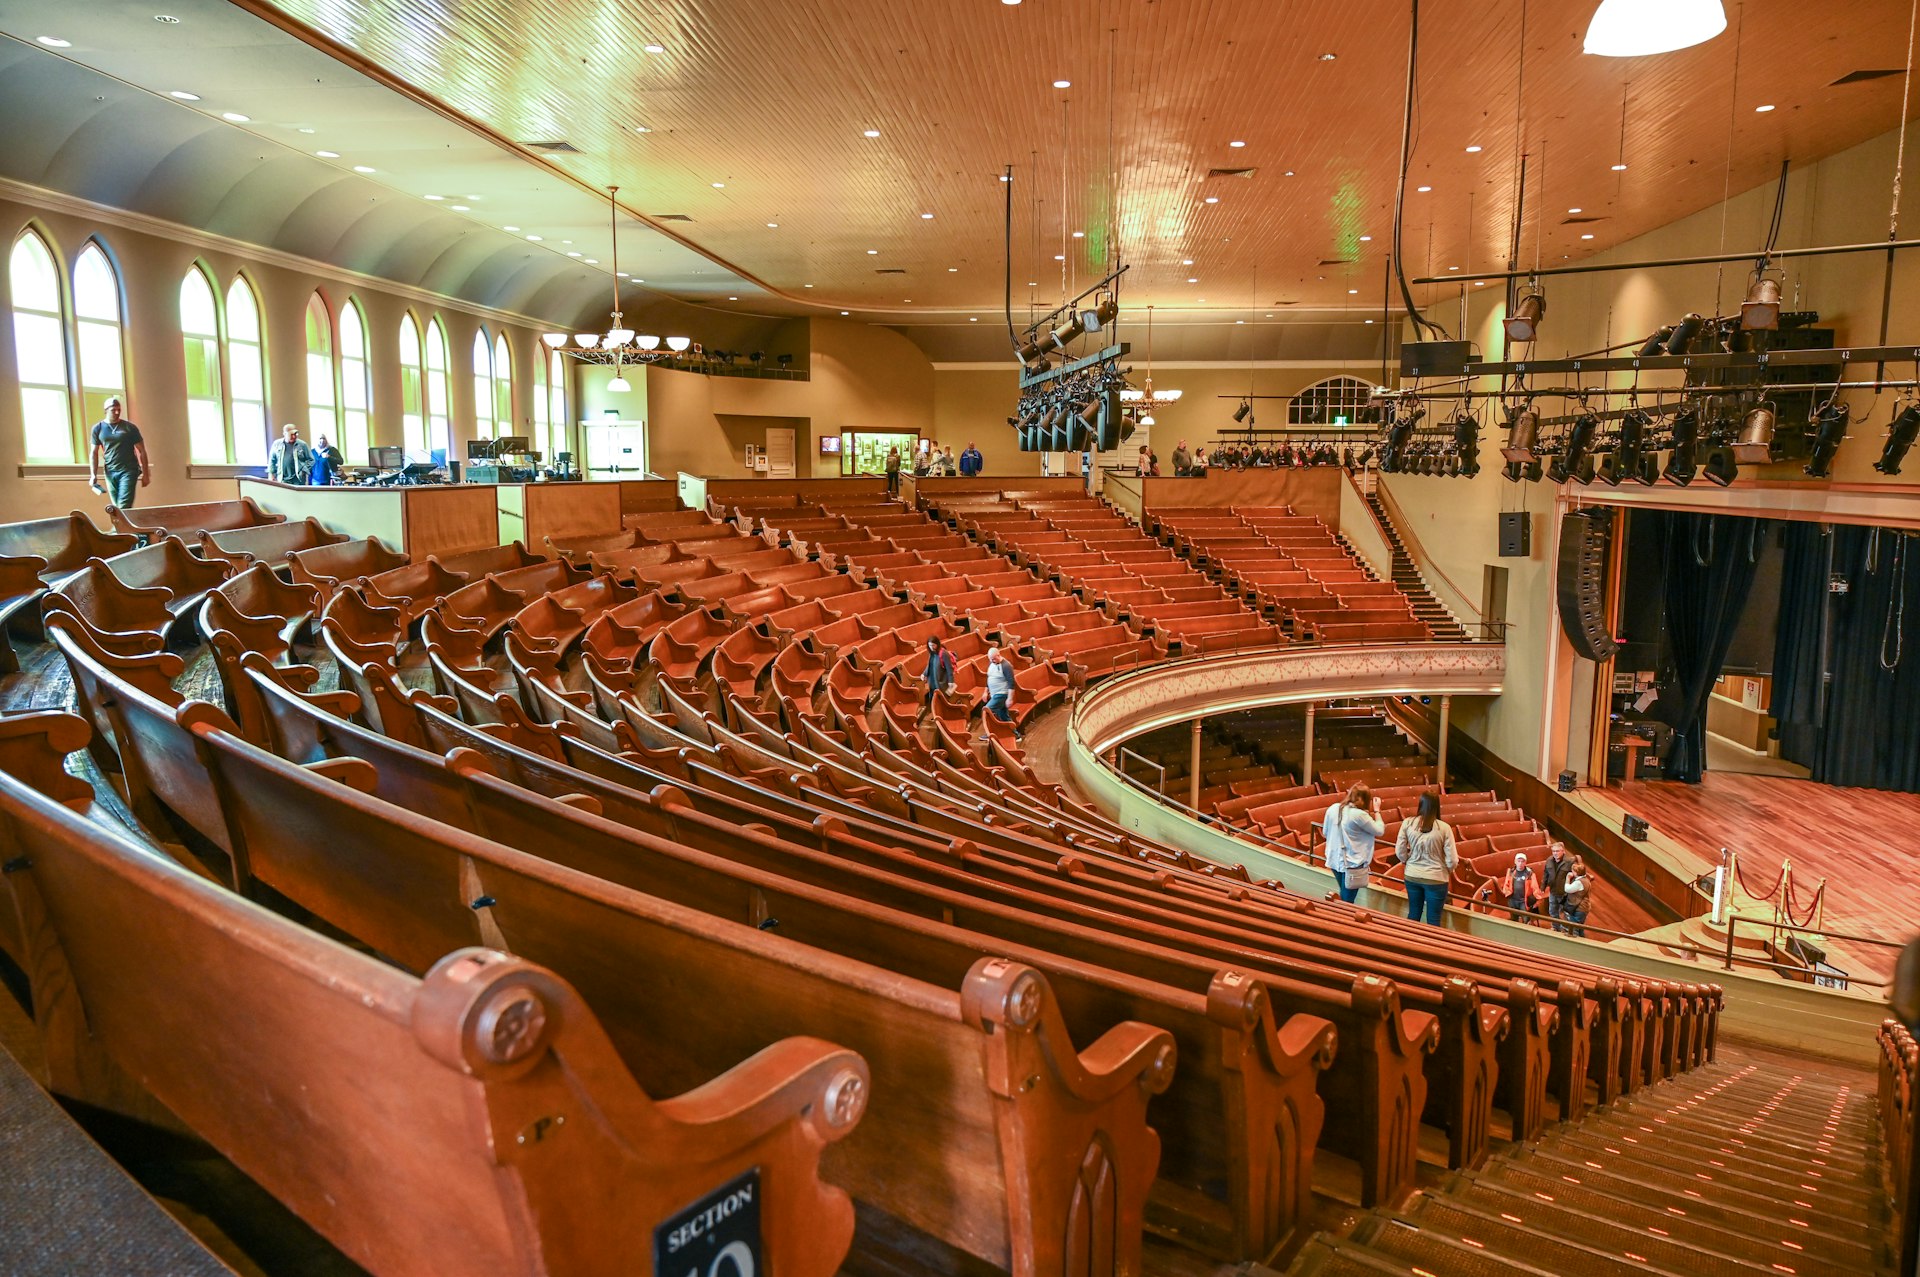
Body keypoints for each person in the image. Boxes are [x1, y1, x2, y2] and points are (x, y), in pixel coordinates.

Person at [1394, 790, 1458, 925]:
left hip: (1412, 875)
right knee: (1433, 920)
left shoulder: (1408, 823)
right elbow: (1452, 860)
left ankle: (1409, 944)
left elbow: (1399, 851)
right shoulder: (1444, 828)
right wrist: (1447, 870)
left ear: (1421, 804)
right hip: (1436, 878)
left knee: (1413, 914)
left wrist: (1407, 861)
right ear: (1436, 806)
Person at [1321, 783, 1384, 905]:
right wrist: (1377, 811)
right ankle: (1341, 921)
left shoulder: (1333, 808)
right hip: (1352, 863)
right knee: (1347, 901)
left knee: (1345, 895)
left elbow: (1324, 832)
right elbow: (1380, 830)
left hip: (1334, 860)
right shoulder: (1359, 815)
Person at [88, 397, 150, 509]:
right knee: (116, 507)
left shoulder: (129, 428)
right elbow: (94, 453)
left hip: (128, 470)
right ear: (106, 410)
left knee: (124, 505)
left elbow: (142, 451)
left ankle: (120, 526)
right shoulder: (98, 428)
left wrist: (146, 474)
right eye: (113, 410)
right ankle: (120, 526)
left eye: (119, 409)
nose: (117, 412)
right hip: (110, 471)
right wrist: (93, 475)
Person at [983, 646, 1020, 737]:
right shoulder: (992, 663)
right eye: (990, 659)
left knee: (986, 710)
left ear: (998, 655)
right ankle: (1015, 735)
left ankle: (989, 733)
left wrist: (1010, 699)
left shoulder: (1006, 666)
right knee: (1003, 715)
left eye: (994, 659)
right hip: (994, 693)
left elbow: (1011, 683)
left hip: (1001, 694)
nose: (992, 661)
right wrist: (985, 691)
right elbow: (990, 677)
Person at [1540, 841, 1574, 932]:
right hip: (1553, 891)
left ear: (1563, 851)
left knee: (1565, 913)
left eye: (1557, 851)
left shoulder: (1569, 862)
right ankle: (1555, 927)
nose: (1555, 853)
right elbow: (1545, 874)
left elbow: (1574, 877)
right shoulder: (1549, 860)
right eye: (1553, 851)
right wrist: (1542, 887)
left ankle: (1566, 929)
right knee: (1552, 911)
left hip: (1564, 893)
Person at [1500, 852, 1544, 923]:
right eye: (1518, 861)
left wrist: (1538, 900)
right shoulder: (1511, 871)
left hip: (1523, 901)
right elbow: (1506, 883)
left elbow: (1535, 886)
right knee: (1514, 919)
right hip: (1512, 899)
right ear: (1515, 862)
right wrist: (1506, 891)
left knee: (1526, 919)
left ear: (1525, 862)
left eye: (1522, 861)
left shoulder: (1529, 873)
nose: (1520, 863)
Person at [920, 635, 955, 720]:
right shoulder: (931, 653)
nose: (931, 647)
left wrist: (951, 681)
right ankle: (936, 715)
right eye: (930, 645)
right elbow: (929, 665)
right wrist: (924, 674)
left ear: (937, 644)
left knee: (942, 700)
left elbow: (949, 669)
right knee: (933, 699)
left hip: (941, 682)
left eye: (933, 645)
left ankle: (944, 717)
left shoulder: (944, 653)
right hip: (932, 681)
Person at [1561, 856, 1593, 938]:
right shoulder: (1586, 879)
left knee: (1574, 929)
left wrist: (1568, 878)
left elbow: (1567, 889)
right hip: (1584, 907)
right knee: (1580, 928)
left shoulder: (1579, 882)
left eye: (1573, 871)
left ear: (1576, 872)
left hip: (1579, 908)